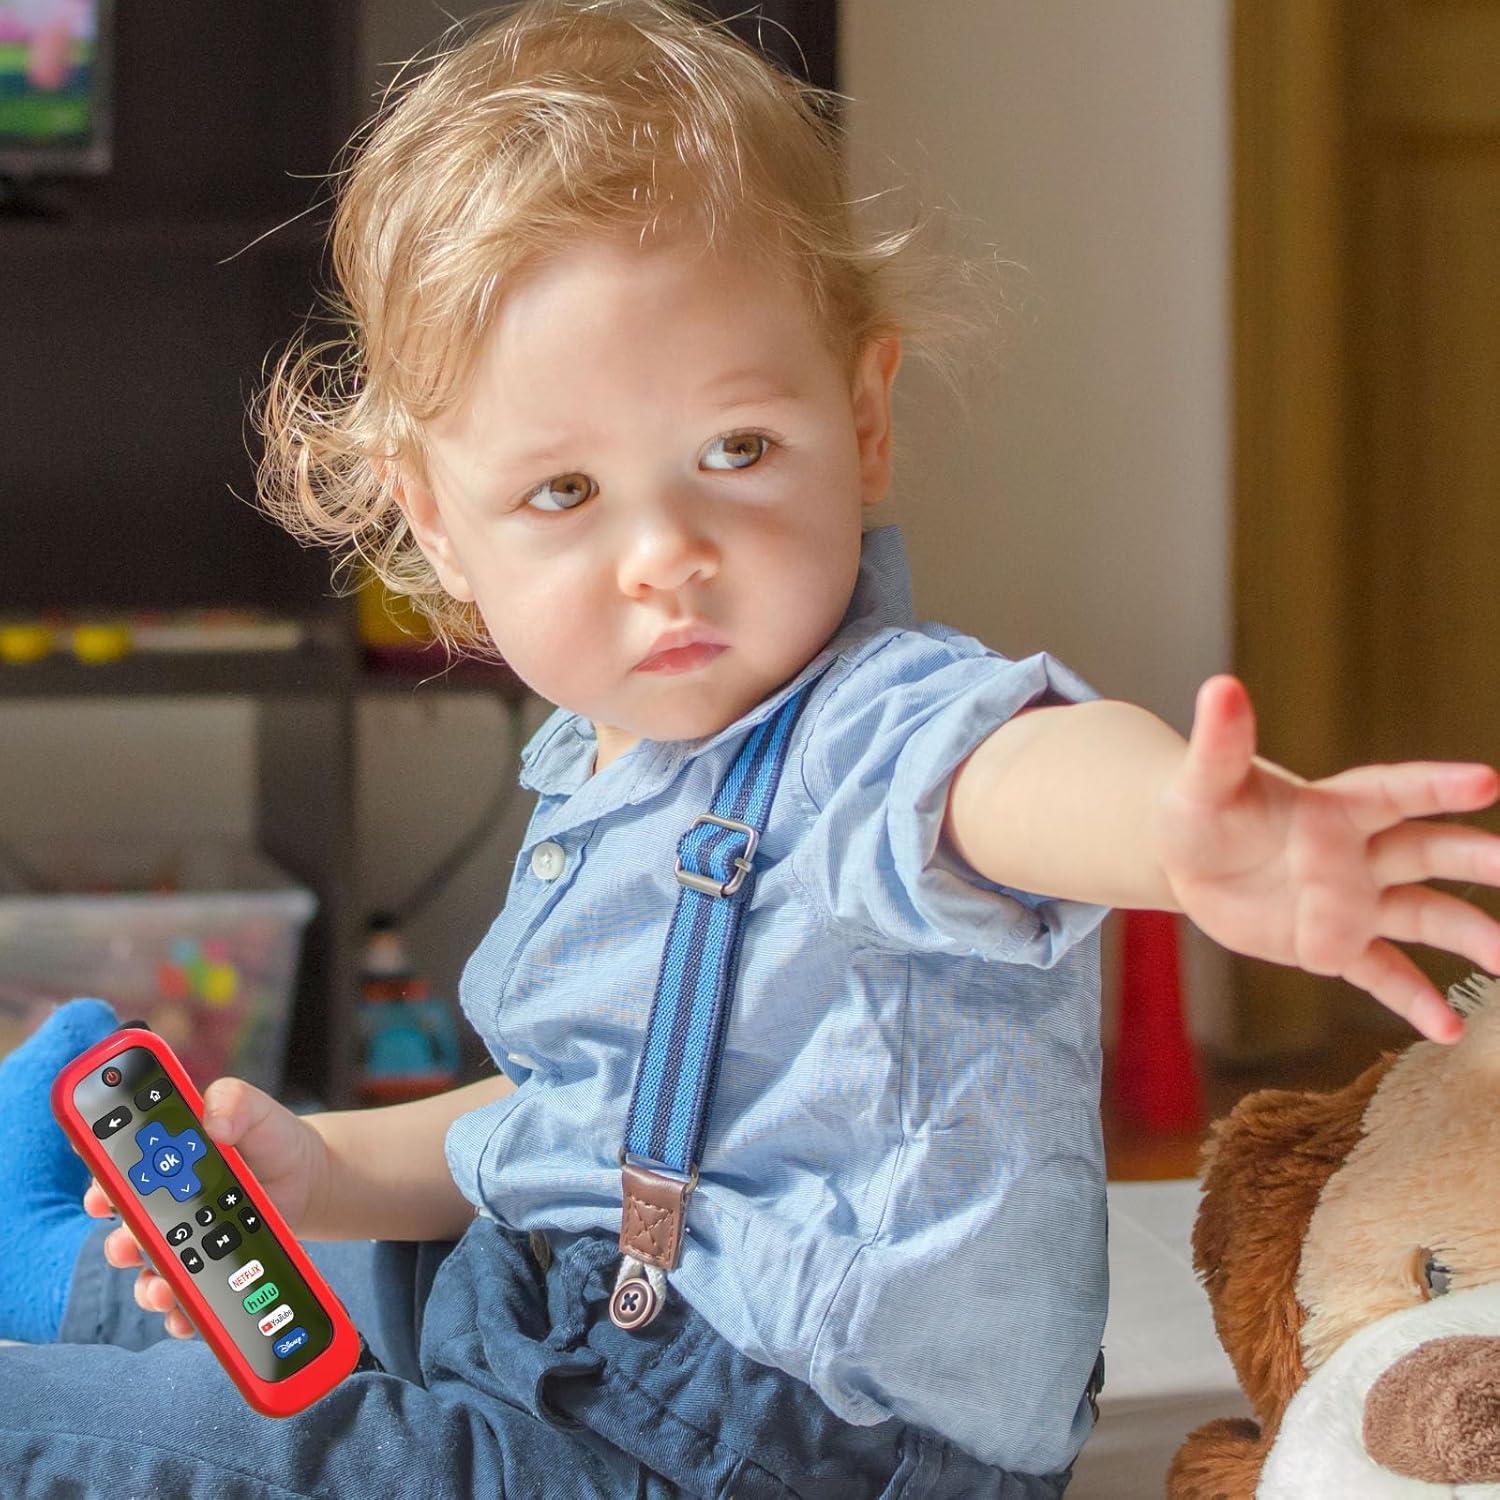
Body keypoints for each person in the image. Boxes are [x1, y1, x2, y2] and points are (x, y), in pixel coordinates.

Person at [2, 2, 1497, 1495]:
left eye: (736, 453)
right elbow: (584, 1118)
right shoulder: (606, 762)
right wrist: (332, 1171)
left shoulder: (870, 724)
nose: (666, 554)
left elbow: (1007, 774)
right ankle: (59, 1273)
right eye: (565, 492)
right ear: (437, 526)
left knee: (240, 1449)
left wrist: (1177, 827)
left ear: (862, 421)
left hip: (769, 1453)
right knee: (365, 1299)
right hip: (580, 1314)